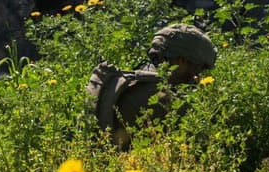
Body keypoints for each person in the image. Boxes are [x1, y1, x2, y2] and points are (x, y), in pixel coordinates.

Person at [89, 23, 217, 149]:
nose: (198, 76)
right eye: (199, 67)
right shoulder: (164, 100)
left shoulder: (136, 81)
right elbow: (202, 146)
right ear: (181, 62)